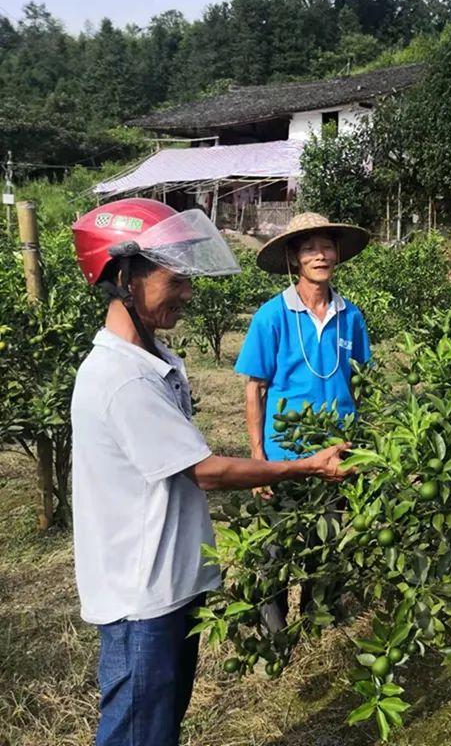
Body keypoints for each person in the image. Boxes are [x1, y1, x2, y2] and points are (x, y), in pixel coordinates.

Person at [70, 199, 355, 746]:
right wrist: (302, 465)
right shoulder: (123, 379)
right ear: (127, 276)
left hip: (168, 585)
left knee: (160, 727)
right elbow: (205, 471)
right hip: (141, 597)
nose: (188, 291)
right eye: (175, 279)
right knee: (138, 732)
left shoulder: (152, 365)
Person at [235, 211, 372, 465]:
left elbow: (358, 382)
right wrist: (257, 455)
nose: (320, 256)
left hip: (341, 448)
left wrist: (356, 433)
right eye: (309, 249)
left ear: (337, 254)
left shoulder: (350, 316)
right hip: (289, 452)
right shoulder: (271, 316)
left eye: (327, 248)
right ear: (294, 258)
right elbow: (255, 388)